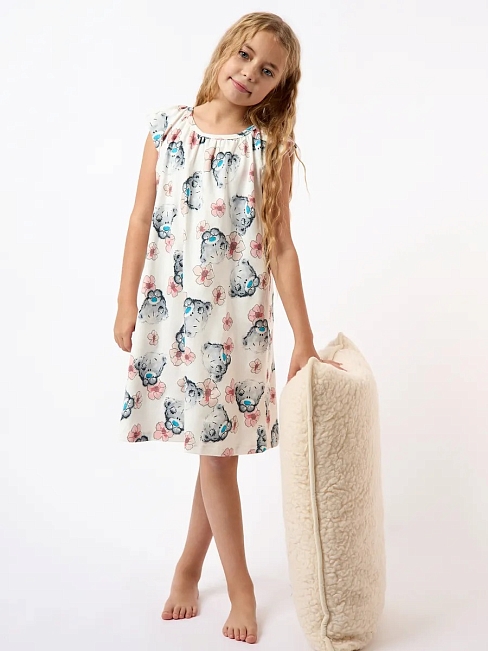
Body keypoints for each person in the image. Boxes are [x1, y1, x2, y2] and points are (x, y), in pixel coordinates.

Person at [114, 11, 345, 645]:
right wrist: (126, 302)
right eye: (245, 56)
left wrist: (303, 337)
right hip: (174, 315)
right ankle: (195, 569)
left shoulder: (267, 149)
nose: (249, 73)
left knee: (216, 455)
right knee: (211, 451)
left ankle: (227, 581)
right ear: (224, 51)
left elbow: (282, 247)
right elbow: (139, 219)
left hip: (235, 326)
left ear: (279, 87)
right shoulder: (166, 130)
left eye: (267, 71)